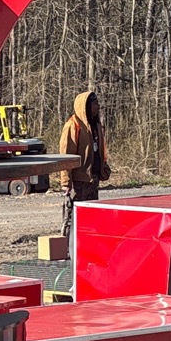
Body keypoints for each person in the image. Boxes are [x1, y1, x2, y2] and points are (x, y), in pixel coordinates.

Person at [59, 90, 110, 235]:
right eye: (95, 104)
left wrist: (103, 168)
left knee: (92, 220)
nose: (98, 106)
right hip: (78, 182)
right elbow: (65, 157)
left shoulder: (96, 125)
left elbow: (100, 151)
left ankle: (89, 245)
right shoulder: (73, 125)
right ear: (86, 106)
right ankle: (68, 245)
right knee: (73, 220)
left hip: (92, 180)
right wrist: (65, 183)